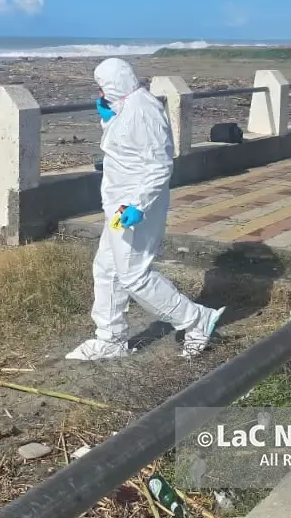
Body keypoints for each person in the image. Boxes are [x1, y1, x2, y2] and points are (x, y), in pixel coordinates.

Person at [65, 57, 225, 361]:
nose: (100, 90)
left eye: (102, 85)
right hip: (119, 205)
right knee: (107, 267)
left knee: (134, 275)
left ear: (114, 82)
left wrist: (138, 204)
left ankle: (196, 319)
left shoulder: (144, 109)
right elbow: (122, 144)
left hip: (135, 205)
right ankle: (110, 337)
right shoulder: (125, 104)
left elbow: (158, 163)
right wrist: (108, 118)